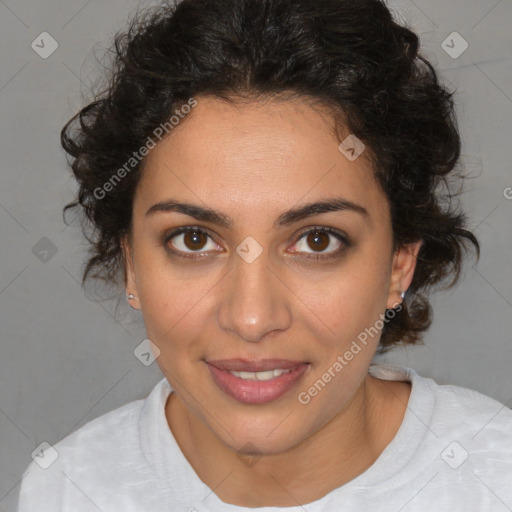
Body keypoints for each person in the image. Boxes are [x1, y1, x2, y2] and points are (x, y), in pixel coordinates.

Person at [17, 0, 512, 510]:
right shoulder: (68, 489)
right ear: (131, 265)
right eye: (193, 240)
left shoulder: (497, 479)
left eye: (317, 240)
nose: (252, 318)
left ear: (398, 264)